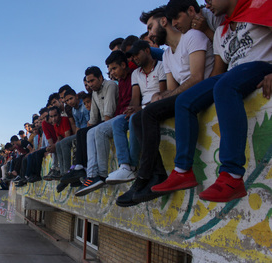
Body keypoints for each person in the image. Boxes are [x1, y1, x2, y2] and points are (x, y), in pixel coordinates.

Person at [151, 0, 272, 202]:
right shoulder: (221, 30)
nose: (206, 3)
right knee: (184, 101)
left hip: (260, 65)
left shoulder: (259, 6)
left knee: (225, 86)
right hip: (232, 74)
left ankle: (232, 175)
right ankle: (182, 171)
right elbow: (218, 71)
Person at [117, 5, 214, 206]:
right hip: (184, 96)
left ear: (163, 22)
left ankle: (144, 176)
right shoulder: (169, 54)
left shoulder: (192, 37)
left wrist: (166, 96)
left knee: (149, 113)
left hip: (203, 90)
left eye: (151, 27)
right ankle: (156, 174)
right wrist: (160, 96)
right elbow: (171, 89)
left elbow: (197, 78)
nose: (150, 34)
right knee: (138, 117)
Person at [106, 40, 166, 191]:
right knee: (118, 123)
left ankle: (132, 165)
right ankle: (124, 165)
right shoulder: (136, 74)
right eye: (132, 56)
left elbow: (163, 92)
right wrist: (132, 108)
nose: (134, 59)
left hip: (155, 105)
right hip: (141, 107)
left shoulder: (161, 66)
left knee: (134, 119)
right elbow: (135, 97)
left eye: (136, 54)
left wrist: (138, 109)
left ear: (147, 50)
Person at [75, 52, 132, 196]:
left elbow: (108, 114)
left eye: (92, 81)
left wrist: (98, 127)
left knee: (99, 131)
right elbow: (93, 118)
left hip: (116, 117)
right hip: (110, 120)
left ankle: (101, 174)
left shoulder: (111, 85)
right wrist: (91, 127)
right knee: (87, 132)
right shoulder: (94, 93)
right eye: (88, 82)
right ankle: (91, 175)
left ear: (101, 78)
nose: (90, 85)